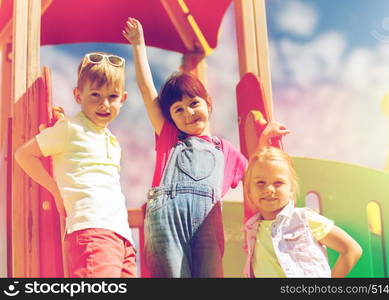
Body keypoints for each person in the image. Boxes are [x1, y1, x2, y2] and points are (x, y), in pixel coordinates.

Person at [123, 17, 289, 277]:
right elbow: (146, 90)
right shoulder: (169, 137)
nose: (188, 113)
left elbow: (258, 171)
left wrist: (265, 139)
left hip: (206, 229)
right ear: (171, 118)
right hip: (167, 226)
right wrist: (138, 45)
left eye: (193, 104)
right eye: (178, 110)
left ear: (208, 103)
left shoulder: (227, 151)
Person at [14, 52, 137, 278]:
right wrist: (55, 190)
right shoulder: (70, 129)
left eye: (112, 96)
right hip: (92, 228)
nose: (104, 103)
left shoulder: (112, 140)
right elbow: (24, 155)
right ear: (78, 95)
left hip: (122, 236)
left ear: (123, 99)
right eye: (95, 95)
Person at [243, 143, 362, 277]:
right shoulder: (252, 228)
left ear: (291, 189)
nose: (269, 189)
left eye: (278, 183)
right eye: (260, 183)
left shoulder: (304, 219)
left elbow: (351, 249)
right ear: (249, 190)